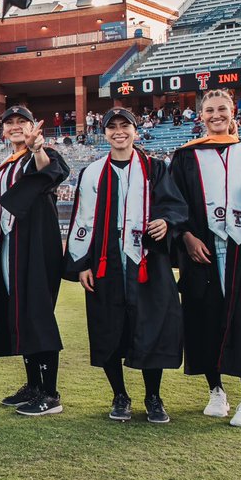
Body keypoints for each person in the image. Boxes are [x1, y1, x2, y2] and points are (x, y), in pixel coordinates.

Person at [169, 89, 241, 428]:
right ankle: (216, 391)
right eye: (209, 110)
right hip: (200, 250)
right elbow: (172, 204)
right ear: (201, 116)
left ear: (234, 112)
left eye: (222, 109)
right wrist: (186, 237)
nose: (216, 115)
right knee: (203, 319)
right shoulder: (185, 157)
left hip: (237, 247)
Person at [64, 108, 188, 423]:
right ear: (104, 133)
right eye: (112, 127)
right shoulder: (92, 172)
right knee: (108, 330)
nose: (118, 132)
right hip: (106, 263)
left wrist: (165, 220)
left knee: (152, 328)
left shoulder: (155, 168)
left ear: (135, 131)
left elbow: (174, 205)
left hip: (146, 260)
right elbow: (82, 220)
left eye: (125, 126)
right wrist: (81, 264)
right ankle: (120, 395)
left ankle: (153, 397)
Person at [0, 106, 70, 416]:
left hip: (34, 249)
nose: (15, 127)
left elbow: (51, 172)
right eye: (9, 122)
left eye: (21, 122)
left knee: (37, 315)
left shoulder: (42, 154)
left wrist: (37, 148)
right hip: (6, 249)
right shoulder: (2, 167)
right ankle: (33, 386)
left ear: (32, 127)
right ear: (2, 130)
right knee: (18, 315)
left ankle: (50, 393)